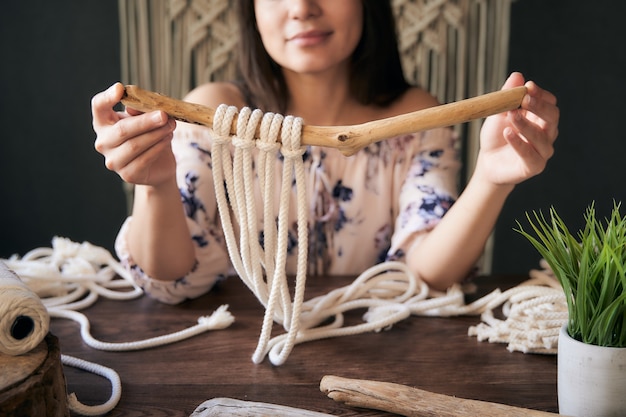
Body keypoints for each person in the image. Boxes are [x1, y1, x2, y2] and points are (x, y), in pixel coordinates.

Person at [92, 0, 559, 304]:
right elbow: (169, 277)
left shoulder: (416, 117)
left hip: (380, 357)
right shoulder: (215, 113)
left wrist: (491, 180)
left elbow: (426, 277)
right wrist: (153, 186)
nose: (302, 8)